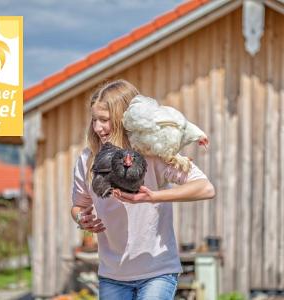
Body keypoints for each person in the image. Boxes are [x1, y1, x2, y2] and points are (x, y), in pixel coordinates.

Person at [70, 79, 215, 300]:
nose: (98, 127)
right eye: (94, 120)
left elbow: (205, 188)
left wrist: (153, 197)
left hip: (157, 272)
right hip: (113, 275)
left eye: (104, 120)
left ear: (122, 119)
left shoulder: (152, 152)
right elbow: (79, 206)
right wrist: (81, 218)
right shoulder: (88, 160)